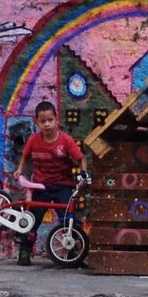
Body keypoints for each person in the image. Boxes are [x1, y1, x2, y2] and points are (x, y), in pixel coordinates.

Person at [12, 101, 88, 266]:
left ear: (56, 119)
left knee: (69, 221)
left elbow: (80, 158)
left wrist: (83, 173)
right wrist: (20, 169)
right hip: (41, 186)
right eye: (43, 121)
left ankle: (73, 254)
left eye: (50, 120)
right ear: (37, 122)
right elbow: (25, 156)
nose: (47, 124)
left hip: (63, 186)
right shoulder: (34, 140)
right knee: (32, 220)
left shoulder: (66, 141)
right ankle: (24, 252)